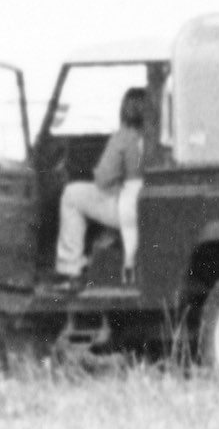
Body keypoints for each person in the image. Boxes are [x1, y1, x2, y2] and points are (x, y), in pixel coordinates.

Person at [54, 85, 154, 284]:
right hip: (150, 203)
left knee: (71, 195)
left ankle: (69, 265)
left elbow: (103, 179)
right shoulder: (156, 136)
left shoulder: (124, 137)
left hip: (128, 208)